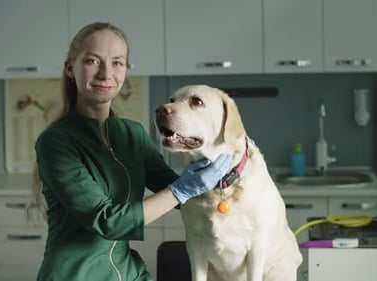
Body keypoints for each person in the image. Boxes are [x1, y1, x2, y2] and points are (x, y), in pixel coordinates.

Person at [31, 22, 232, 281]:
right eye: (93, 61)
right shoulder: (55, 142)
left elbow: (171, 187)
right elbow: (108, 221)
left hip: (127, 272)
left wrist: (233, 170)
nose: (106, 74)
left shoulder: (132, 134)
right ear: (70, 68)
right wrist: (183, 189)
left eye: (117, 63)